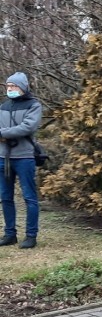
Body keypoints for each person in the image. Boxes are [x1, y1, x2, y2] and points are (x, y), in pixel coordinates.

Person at [0, 72, 43, 249]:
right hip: (3, 157)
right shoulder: (4, 106)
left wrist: (3, 134)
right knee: (5, 197)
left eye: (14, 86)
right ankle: (10, 234)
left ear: (23, 87)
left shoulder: (34, 105)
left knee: (29, 198)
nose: (10, 89)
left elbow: (28, 127)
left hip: (24, 157)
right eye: (8, 86)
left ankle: (31, 235)